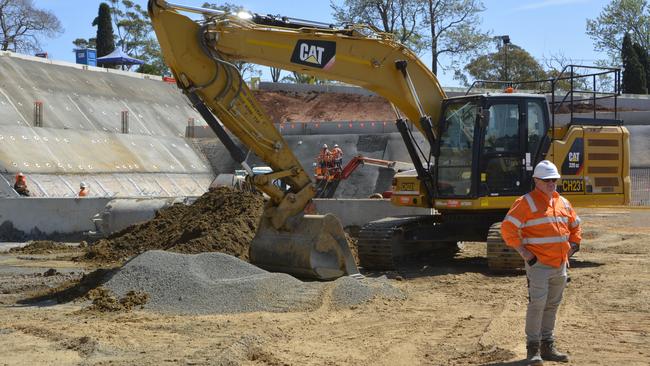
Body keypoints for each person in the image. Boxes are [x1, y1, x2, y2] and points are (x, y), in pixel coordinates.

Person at [501, 160, 581, 365]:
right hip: (539, 265)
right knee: (537, 305)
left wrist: (574, 245)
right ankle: (533, 349)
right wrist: (525, 254)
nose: (551, 183)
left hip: (560, 264)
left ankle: (548, 346)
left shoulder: (562, 202)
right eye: (546, 180)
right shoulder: (525, 202)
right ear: (536, 180)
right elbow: (508, 229)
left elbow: (575, 225)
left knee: (552, 305)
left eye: (554, 179)